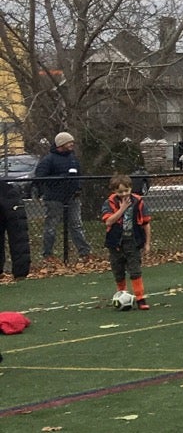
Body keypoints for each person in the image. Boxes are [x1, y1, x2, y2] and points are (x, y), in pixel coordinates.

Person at [34, 131, 90, 262]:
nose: (72, 144)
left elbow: (79, 175)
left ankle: (84, 252)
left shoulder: (73, 158)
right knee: (51, 226)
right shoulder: (49, 159)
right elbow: (40, 177)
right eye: (69, 142)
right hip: (54, 198)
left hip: (72, 197)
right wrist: (60, 178)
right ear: (61, 144)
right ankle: (48, 254)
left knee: (76, 224)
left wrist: (78, 187)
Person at [100, 173, 151, 309]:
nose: (124, 194)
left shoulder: (138, 201)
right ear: (114, 191)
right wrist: (122, 209)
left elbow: (146, 223)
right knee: (118, 270)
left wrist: (147, 243)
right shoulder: (109, 203)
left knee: (135, 270)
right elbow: (109, 221)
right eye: (120, 191)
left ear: (131, 188)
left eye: (126, 191)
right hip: (115, 242)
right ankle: (122, 294)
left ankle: (140, 299)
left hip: (132, 241)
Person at [0, 160, 28, 281]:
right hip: (11, 203)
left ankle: (20, 272)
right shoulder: (9, 189)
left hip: (10, 204)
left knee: (18, 238)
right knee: (18, 238)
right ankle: (21, 273)